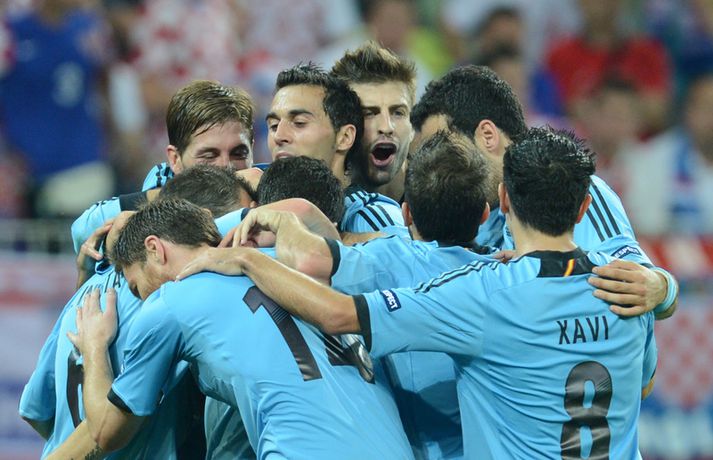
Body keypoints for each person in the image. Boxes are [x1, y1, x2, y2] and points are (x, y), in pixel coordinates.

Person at [202, 127, 657, 459]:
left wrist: (249, 260)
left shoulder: (483, 294)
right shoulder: (633, 287)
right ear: (583, 207)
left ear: (503, 200)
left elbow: (338, 311)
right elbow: (644, 383)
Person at [181, 130, 492, 459]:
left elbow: (311, 259)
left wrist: (271, 227)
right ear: (485, 214)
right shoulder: (501, 279)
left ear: (406, 214)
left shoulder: (389, 258)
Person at [69, 199, 413, 459]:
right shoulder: (287, 262)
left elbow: (106, 432)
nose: (142, 298)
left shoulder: (168, 302)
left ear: (155, 249)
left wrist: (94, 347)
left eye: (136, 287)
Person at [20, 165, 257, 459]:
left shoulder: (88, 292)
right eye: (210, 155)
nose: (231, 165)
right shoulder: (167, 309)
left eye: (239, 154)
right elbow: (106, 430)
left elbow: (36, 410)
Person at [410, 64, 678, 319]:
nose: (435, 163)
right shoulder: (452, 212)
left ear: (488, 136)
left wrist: (662, 287)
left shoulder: (570, 187)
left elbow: (643, 288)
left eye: (443, 147)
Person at [70, 79, 256, 253]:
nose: (226, 166)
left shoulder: (265, 186)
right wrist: (190, 195)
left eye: (238, 153)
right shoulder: (160, 188)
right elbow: (82, 229)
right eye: (209, 155)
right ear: (175, 159)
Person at [267, 62, 405, 234]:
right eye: (273, 125)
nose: (279, 136)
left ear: (344, 137)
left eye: (299, 123)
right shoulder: (255, 201)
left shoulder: (370, 219)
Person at [331, 41, 416, 202]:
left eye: (398, 113)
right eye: (368, 114)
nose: (386, 127)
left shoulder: (441, 196)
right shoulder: (319, 199)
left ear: (412, 127)